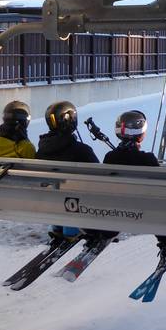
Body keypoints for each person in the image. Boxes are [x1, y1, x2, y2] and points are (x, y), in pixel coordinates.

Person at [103, 110, 166, 253]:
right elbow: (160, 189)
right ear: (140, 134)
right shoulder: (147, 160)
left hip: (114, 209)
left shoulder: (109, 157)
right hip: (143, 212)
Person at [36, 100, 101, 238]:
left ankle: (58, 225)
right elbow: (100, 178)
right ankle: (71, 230)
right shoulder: (81, 150)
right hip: (75, 206)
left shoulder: (42, 150)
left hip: (50, 204)